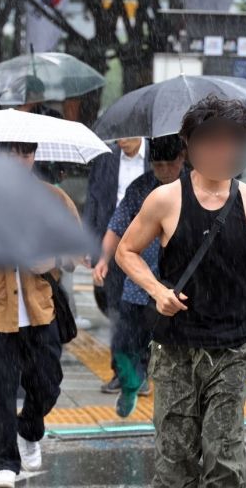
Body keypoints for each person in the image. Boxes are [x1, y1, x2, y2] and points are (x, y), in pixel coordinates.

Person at [116, 95, 246, 487]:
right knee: (174, 462)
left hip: (232, 348)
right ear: (190, 146)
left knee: (224, 458)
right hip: (175, 349)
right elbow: (126, 251)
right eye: (211, 141)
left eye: (232, 141)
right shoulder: (166, 199)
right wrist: (156, 290)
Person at [0, 141, 80, 488]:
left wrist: (51, 260)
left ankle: (30, 428)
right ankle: (4, 463)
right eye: (10, 153)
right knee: (1, 390)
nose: (18, 160)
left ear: (34, 156)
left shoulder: (52, 198)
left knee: (47, 383)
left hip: (41, 310)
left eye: (25, 153)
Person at [92, 135, 187, 417]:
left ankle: (160, 385)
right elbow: (117, 225)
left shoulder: (195, 188)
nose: (164, 171)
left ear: (182, 158)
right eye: (158, 165)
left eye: (169, 164)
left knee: (167, 343)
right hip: (138, 280)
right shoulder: (142, 187)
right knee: (125, 336)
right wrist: (103, 260)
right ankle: (131, 380)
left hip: (177, 282)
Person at [84, 136, 151, 393]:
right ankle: (121, 371)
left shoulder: (157, 156)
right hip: (112, 245)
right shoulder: (106, 158)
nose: (122, 141)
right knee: (117, 312)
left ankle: (141, 371)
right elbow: (94, 199)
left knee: (143, 312)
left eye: (128, 136)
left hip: (147, 247)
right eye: (119, 137)